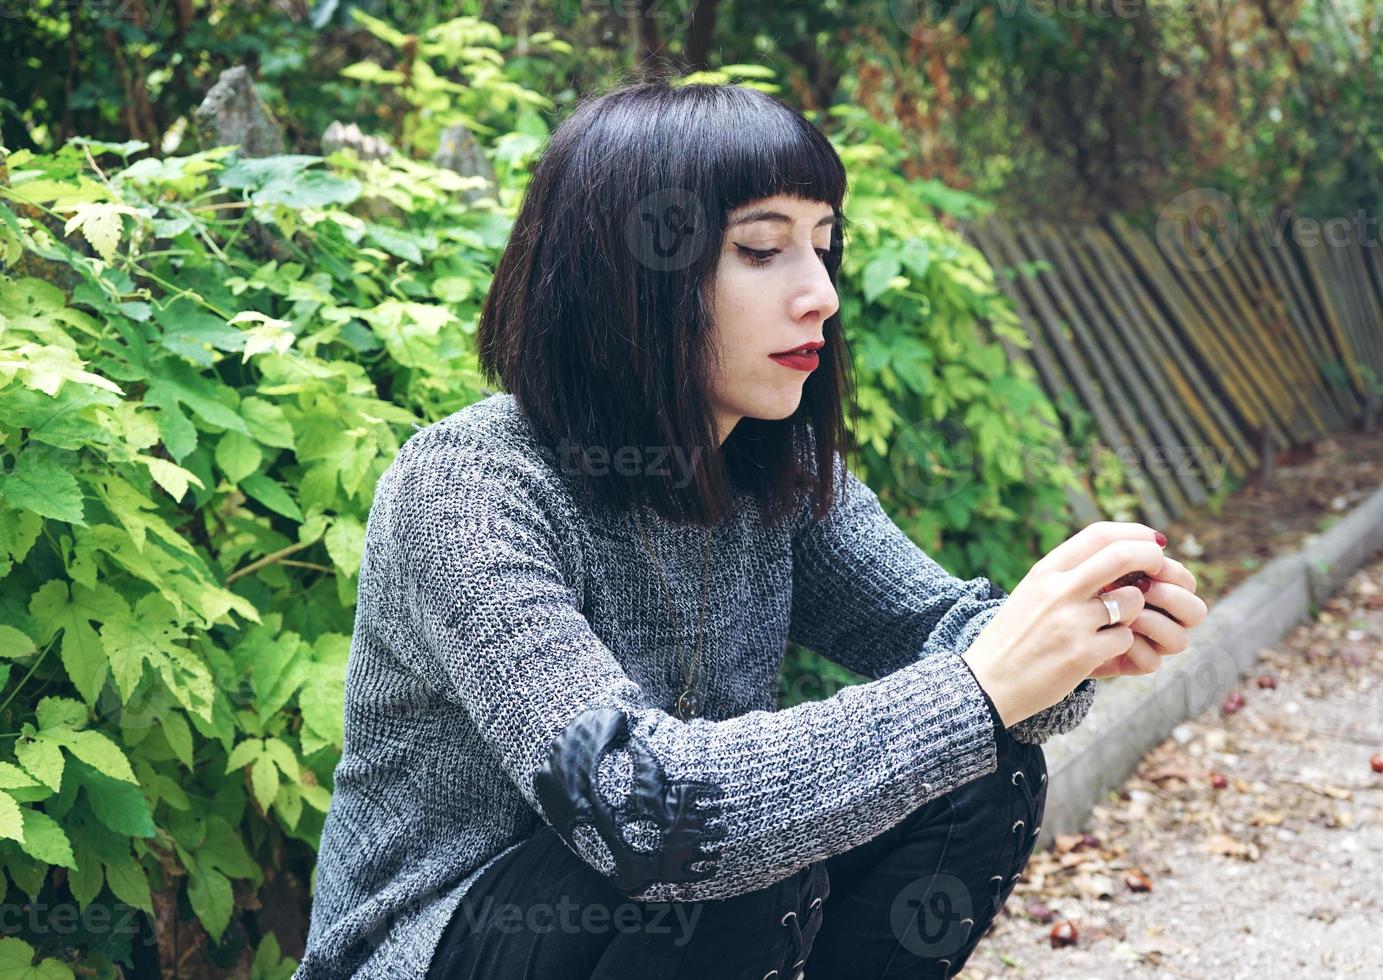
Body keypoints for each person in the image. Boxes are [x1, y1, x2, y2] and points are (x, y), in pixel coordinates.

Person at [295, 79, 1207, 980]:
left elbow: (959, 649)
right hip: (435, 948)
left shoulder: (776, 468)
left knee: (980, 769)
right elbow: (634, 806)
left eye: (824, 245)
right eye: (764, 249)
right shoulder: (467, 486)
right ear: (627, 271)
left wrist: (1071, 641)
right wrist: (984, 683)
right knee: (728, 856)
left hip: (662, 921)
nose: (821, 296)